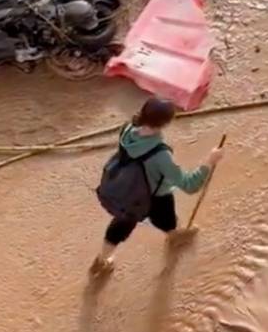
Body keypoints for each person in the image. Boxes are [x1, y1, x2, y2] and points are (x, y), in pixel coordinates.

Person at [91, 97, 224, 274]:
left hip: (124, 191)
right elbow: (190, 185)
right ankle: (173, 236)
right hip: (153, 196)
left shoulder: (127, 129)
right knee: (165, 217)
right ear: (166, 123)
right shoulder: (161, 155)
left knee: (120, 226)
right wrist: (209, 161)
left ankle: (101, 261)